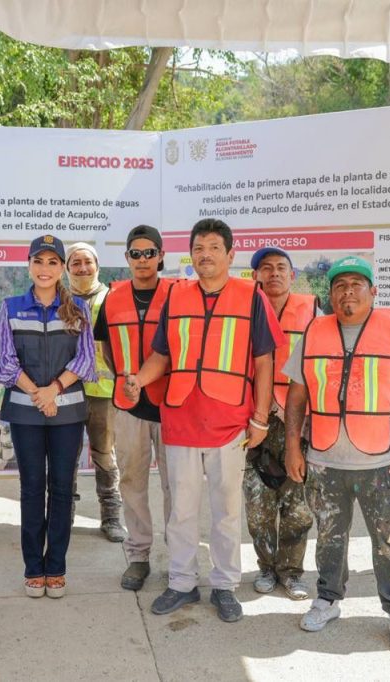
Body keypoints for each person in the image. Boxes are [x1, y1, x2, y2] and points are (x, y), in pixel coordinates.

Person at [126, 218, 282, 623]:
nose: (205, 255)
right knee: (180, 509)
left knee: (226, 510)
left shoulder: (251, 297)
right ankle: (181, 582)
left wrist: (260, 418)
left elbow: (264, 362)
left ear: (230, 255)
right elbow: (161, 355)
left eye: (214, 247)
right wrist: (138, 379)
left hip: (229, 422)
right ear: (190, 255)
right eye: (198, 248)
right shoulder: (176, 297)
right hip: (181, 419)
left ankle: (225, 585)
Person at [283, 255, 390, 654]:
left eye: (356, 284)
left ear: (373, 291)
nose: (347, 292)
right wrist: (293, 446)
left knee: (389, 542)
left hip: (381, 462)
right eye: (339, 286)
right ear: (330, 294)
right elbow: (296, 394)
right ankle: (328, 599)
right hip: (325, 459)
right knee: (329, 537)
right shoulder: (314, 331)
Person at [0, 235, 96, 598]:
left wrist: (54, 389)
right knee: (32, 488)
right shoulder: (11, 307)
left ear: (62, 268)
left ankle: (57, 567)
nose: (45, 269)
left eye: (53, 262)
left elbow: (86, 359)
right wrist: (39, 394)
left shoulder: (78, 309)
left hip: (67, 413)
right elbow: (3, 361)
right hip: (27, 414)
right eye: (39, 261)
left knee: (62, 489)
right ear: (29, 265)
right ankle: (34, 568)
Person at [92, 225, 174, 590]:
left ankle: (179, 559)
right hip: (129, 407)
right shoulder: (113, 297)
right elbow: (106, 347)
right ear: (127, 258)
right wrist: (126, 377)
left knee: (177, 488)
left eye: (149, 253)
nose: (142, 260)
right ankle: (139, 556)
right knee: (132, 483)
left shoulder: (178, 294)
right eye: (135, 254)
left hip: (172, 406)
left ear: (161, 256)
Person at [245, 246, 317, 600]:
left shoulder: (314, 312)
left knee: (298, 506)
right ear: (255, 276)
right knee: (257, 505)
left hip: (298, 419)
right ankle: (265, 567)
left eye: (281, 268)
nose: (273, 273)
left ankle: (291, 572)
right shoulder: (242, 309)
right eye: (266, 268)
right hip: (253, 419)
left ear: (292, 275)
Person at [65, 242, 126, 542]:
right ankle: (64, 515)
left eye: (87, 262)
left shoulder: (111, 298)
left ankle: (111, 517)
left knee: (104, 455)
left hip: (104, 392)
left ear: (97, 266)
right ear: (67, 269)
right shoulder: (61, 300)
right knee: (66, 455)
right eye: (75, 263)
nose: (82, 268)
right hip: (68, 390)